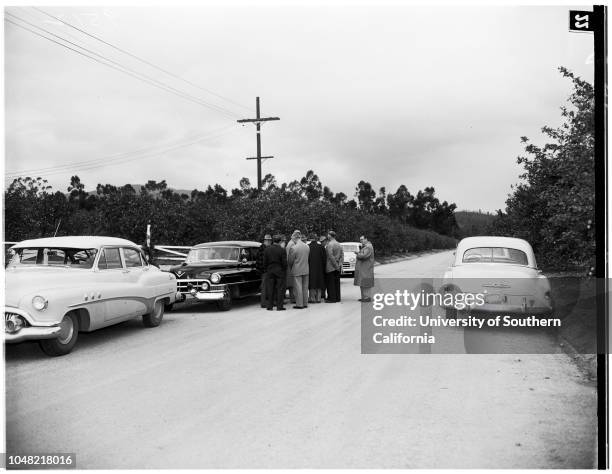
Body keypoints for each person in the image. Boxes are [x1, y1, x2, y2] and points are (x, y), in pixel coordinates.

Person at [263, 235, 287, 311]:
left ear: (273, 241)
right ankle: (279, 306)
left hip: (270, 271)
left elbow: (265, 262)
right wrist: (284, 270)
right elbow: (284, 263)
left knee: (270, 288)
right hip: (279, 271)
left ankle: (270, 306)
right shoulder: (282, 250)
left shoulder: (267, 249)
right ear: (280, 241)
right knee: (280, 289)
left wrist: (267, 269)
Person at [287, 230, 310, 309]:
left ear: (294, 237)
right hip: (306, 269)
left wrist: (291, 268)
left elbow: (290, 261)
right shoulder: (307, 247)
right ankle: (305, 303)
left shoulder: (294, 248)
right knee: (305, 287)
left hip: (297, 270)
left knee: (298, 287)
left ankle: (299, 304)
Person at [354, 235, 375, 302]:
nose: (361, 241)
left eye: (362, 239)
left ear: (366, 239)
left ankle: (367, 297)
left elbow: (363, 256)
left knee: (366, 283)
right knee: (362, 282)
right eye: (360, 240)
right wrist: (359, 253)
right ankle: (364, 297)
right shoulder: (366, 246)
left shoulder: (368, 247)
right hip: (364, 268)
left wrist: (358, 254)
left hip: (366, 268)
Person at [324, 230, 344, 303]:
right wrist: (339, 265)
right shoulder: (339, 244)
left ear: (330, 236)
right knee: (337, 283)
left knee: (330, 283)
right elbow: (342, 255)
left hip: (331, 267)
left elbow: (330, 256)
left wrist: (335, 266)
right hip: (338, 267)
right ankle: (338, 297)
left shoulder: (329, 245)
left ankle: (332, 298)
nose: (327, 236)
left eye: (328, 235)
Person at [308, 233, 326, 303]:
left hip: (310, 267)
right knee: (319, 282)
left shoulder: (308, 247)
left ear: (310, 239)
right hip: (320, 268)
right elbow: (324, 259)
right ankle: (318, 298)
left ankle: (312, 298)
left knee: (312, 282)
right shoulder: (321, 247)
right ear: (316, 239)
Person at [257, 234, 273, 308]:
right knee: (264, 288)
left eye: (270, 240)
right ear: (266, 241)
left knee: (266, 287)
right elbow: (264, 261)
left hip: (264, 270)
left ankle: (266, 302)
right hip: (265, 271)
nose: (270, 242)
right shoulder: (264, 248)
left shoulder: (263, 248)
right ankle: (263, 303)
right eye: (269, 240)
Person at [285, 233, 296, 304]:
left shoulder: (290, 243)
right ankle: (293, 299)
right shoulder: (292, 244)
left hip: (288, 266)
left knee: (290, 283)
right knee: (291, 284)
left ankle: (292, 298)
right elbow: (291, 258)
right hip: (290, 266)